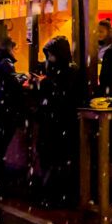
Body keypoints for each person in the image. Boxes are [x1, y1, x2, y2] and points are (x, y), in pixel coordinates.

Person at [35, 35, 79, 205]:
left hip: (61, 122)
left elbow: (63, 95)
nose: (49, 58)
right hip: (53, 121)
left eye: (51, 54)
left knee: (56, 158)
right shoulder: (56, 69)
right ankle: (52, 193)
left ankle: (56, 195)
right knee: (50, 157)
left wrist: (45, 84)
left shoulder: (69, 71)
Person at [0, 38, 25, 193]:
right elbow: (12, 84)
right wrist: (22, 79)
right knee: (0, 146)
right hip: (4, 110)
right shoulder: (6, 63)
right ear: (10, 48)